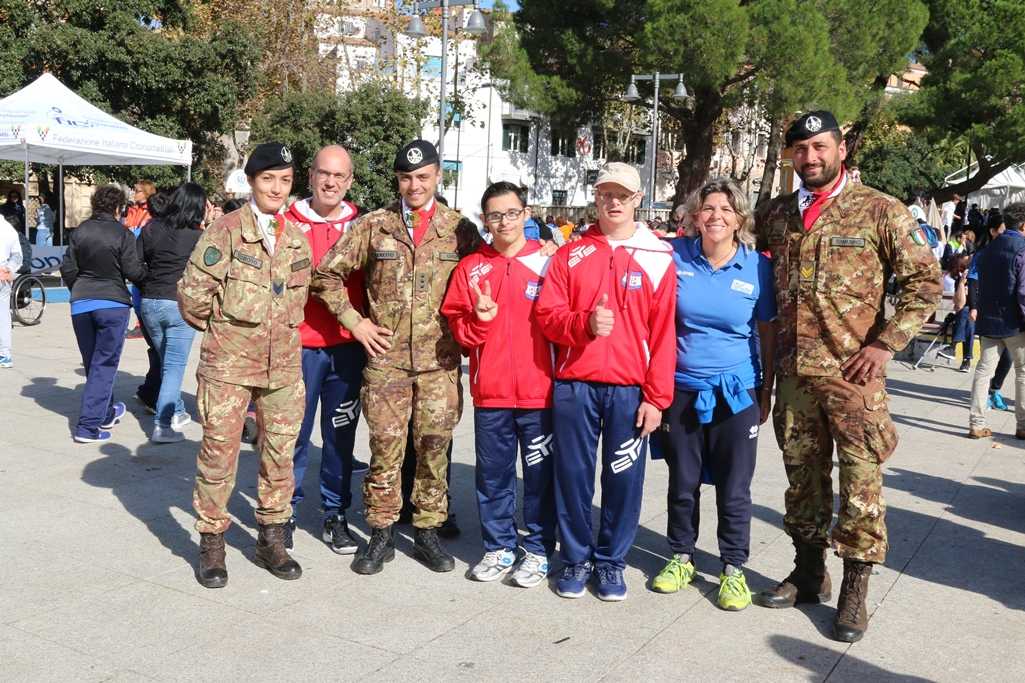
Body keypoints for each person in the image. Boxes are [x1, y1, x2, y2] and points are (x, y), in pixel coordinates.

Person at [753, 111, 940, 643]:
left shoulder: (880, 210)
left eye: (819, 146)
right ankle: (810, 572)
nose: (810, 158)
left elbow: (924, 284)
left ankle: (855, 589)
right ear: (790, 156)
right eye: (800, 149)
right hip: (793, 377)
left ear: (840, 148)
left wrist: (885, 345)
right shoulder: (777, 216)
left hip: (853, 379)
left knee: (861, 485)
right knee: (801, 480)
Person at [311, 140, 477, 575]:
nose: (414, 185)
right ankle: (381, 532)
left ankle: (426, 530)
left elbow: (487, 275)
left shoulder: (459, 229)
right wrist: (356, 322)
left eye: (423, 177)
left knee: (433, 448)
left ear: (438, 176)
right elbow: (326, 274)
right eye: (406, 178)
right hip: (386, 363)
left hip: (439, 363)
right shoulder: (374, 226)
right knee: (385, 448)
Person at [535, 162, 676, 601]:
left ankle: (612, 563)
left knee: (623, 479)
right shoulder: (569, 254)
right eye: (605, 194)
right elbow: (547, 316)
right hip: (575, 386)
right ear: (595, 197)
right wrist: (583, 325)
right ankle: (576, 559)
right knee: (574, 476)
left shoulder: (658, 256)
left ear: (638, 199)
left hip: (629, 390)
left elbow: (665, 332)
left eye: (622, 195)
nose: (613, 202)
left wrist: (656, 397)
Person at [177, 142, 311, 588]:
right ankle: (212, 542)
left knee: (279, 456)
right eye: (268, 178)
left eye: (285, 180)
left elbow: (299, 299)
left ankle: (271, 537)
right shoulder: (227, 230)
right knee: (219, 456)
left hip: (283, 369)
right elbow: (193, 297)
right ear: (252, 181)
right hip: (230, 367)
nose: (277, 188)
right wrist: (228, 335)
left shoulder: (295, 238)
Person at [650, 179, 776, 611]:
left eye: (726, 209)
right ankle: (681, 557)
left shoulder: (758, 267)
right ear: (694, 214)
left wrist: (766, 391)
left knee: (734, 488)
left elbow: (767, 332)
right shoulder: (674, 255)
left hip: (737, 393)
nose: (716, 216)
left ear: (740, 219)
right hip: (682, 389)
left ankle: (733, 568)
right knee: (682, 482)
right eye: (708, 208)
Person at [441, 181, 557, 587]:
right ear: (484, 219)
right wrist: (480, 319)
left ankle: (540, 548)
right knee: (493, 475)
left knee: (540, 478)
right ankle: (499, 547)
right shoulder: (472, 267)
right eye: (494, 215)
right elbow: (459, 331)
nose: (504, 222)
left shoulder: (548, 263)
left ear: (525, 214)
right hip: (491, 393)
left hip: (539, 393)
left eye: (511, 213)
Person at [280, 145, 367, 554]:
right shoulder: (285, 222)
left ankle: (335, 514)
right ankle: (284, 513)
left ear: (349, 181)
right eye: (323, 174)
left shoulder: (364, 226)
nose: (331, 182)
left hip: (347, 350)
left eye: (339, 176)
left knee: (340, 437)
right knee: (292, 435)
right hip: (298, 348)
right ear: (311, 176)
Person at [59, 185, 147, 442]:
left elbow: (67, 266)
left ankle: (106, 412)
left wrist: (81, 288)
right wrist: (149, 277)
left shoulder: (80, 231)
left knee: (93, 363)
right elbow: (133, 271)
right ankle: (87, 426)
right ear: (118, 208)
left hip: (82, 303)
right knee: (105, 365)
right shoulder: (123, 234)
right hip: (113, 303)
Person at [137, 183, 206, 443]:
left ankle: (176, 411)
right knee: (174, 367)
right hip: (178, 305)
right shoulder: (198, 236)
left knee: (167, 363)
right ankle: (162, 426)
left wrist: (149, 282)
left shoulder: (151, 228)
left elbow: (135, 264)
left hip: (150, 303)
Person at [966, 202, 1025, 440]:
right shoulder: (1022, 249)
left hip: (989, 320)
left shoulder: (987, 249)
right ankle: (1022, 425)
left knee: (983, 371)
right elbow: (1023, 291)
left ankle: (976, 423)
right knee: (1022, 373)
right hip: (1015, 323)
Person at [938, 253, 974, 372]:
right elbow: (959, 305)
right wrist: (962, 284)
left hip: (979, 316)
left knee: (967, 315)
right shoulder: (960, 280)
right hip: (965, 317)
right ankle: (966, 360)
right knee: (966, 316)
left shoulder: (981, 279)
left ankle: (953, 347)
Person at [0, 215, 23, 368]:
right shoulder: (9, 229)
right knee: (3, 315)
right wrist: (9, 269)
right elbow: (17, 256)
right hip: (3, 275)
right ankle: (5, 353)